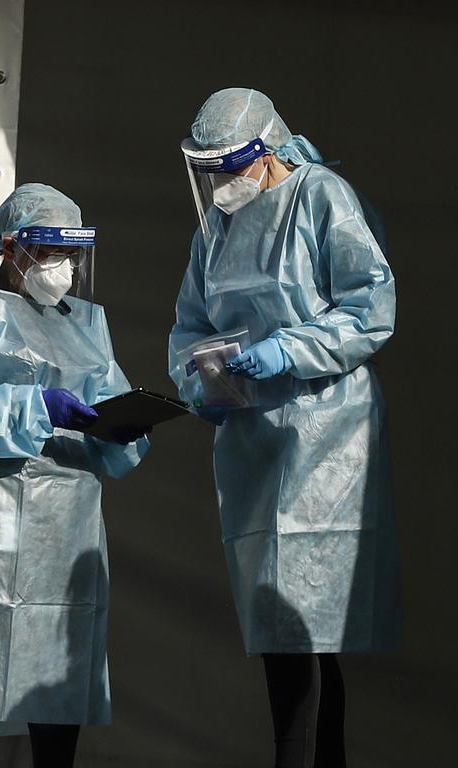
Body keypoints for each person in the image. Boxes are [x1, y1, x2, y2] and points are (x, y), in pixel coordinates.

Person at [169, 88, 400, 768]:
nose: (219, 185)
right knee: (281, 625)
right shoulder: (214, 227)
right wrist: (202, 384)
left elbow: (371, 307)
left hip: (326, 437)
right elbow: (190, 327)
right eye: (207, 170)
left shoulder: (321, 196)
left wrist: (288, 350)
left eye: (228, 168)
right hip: (252, 442)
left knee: (309, 624)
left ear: (265, 153)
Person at [0, 183, 150, 768]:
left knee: (56, 663)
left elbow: (109, 397)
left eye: (70, 254)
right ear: (10, 248)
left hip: (62, 520)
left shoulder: (83, 323)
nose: (60, 268)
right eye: (47, 252)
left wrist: (123, 427)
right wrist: (41, 407)